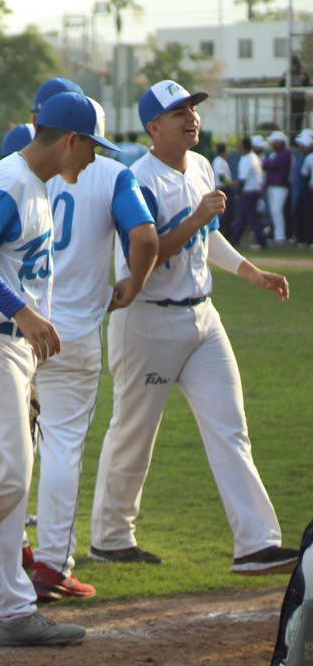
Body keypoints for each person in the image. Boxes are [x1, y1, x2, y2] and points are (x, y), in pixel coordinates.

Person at [90, 80, 298, 575]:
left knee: (231, 429)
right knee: (134, 433)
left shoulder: (202, 166)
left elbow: (210, 238)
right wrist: (197, 215)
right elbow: (146, 254)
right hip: (148, 321)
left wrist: (252, 272)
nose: (191, 117)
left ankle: (256, 543)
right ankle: (112, 537)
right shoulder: (135, 180)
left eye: (192, 108)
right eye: (178, 111)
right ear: (152, 127)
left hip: (203, 318)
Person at [0, 91, 113, 647]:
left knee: (12, 479)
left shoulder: (36, 185)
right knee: (7, 475)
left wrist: (27, 338)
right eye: (92, 148)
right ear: (70, 140)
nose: (94, 159)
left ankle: (12, 610)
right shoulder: (9, 181)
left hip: (7, 350)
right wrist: (24, 314)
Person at [30, 99, 158, 603]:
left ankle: (13, 549)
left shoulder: (22, 162)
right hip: (74, 331)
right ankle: (51, 564)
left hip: (16, 327)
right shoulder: (109, 172)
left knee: (15, 449)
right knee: (62, 447)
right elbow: (144, 237)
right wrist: (133, 285)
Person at [234, 135, 267, 248]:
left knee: (252, 218)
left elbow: (243, 178)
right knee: (243, 216)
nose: (239, 149)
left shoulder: (246, 158)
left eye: (240, 146)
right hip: (256, 190)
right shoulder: (254, 157)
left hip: (249, 191)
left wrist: (239, 192)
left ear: (243, 147)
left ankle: (262, 242)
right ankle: (235, 240)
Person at [263, 130, 292, 245]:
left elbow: (271, 165)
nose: (273, 145)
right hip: (272, 186)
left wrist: (267, 163)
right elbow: (266, 165)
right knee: (273, 211)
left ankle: (280, 236)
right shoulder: (274, 154)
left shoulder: (286, 153)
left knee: (277, 210)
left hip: (280, 186)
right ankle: (276, 234)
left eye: (275, 142)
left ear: (280, 143)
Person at [211, 141, 238, 241]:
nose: (229, 153)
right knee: (225, 215)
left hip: (226, 188)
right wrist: (231, 183)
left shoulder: (222, 160)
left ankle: (228, 236)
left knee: (230, 214)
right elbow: (221, 177)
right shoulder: (218, 161)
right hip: (223, 189)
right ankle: (223, 237)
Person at [296, 130, 313, 245]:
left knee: (309, 216)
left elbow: (304, 174)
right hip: (308, 190)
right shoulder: (307, 157)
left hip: (310, 191)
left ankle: (309, 239)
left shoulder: (309, 157)